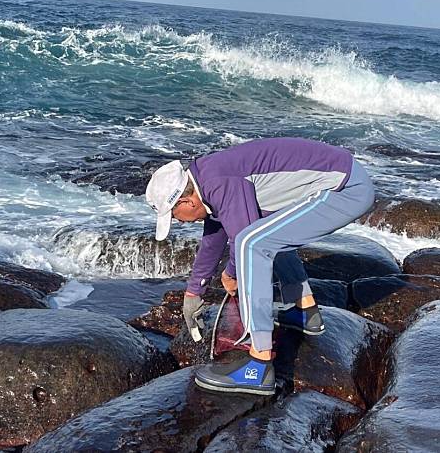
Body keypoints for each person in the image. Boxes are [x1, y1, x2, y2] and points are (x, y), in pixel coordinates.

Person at [145, 137, 374, 395]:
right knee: (266, 234)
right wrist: (194, 291)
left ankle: (259, 364)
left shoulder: (218, 182)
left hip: (345, 189)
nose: (179, 221)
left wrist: (231, 274)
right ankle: (305, 311)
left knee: (251, 244)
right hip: (343, 182)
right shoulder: (207, 180)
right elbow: (215, 236)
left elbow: (243, 240)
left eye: (173, 216)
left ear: (187, 202)